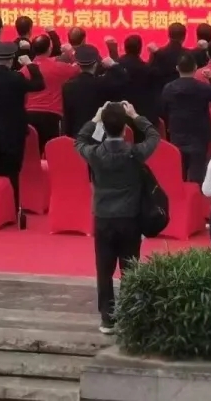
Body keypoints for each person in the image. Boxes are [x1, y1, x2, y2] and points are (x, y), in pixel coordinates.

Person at [75, 100, 159, 334]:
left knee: (104, 269)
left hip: (103, 217)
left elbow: (79, 140)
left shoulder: (94, 154)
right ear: (125, 128)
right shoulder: (134, 153)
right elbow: (154, 136)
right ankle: (130, 315)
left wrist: (95, 119)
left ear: (104, 126)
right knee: (130, 268)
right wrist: (136, 115)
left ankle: (107, 318)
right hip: (129, 217)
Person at [0, 42, 44, 225]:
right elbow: (39, 84)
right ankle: (13, 209)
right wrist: (30, 65)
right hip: (14, 134)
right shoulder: (16, 78)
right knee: (12, 174)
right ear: (11, 60)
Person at [160, 52, 211, 183]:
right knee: (198, 175)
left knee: (180, 174)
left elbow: (162, 110)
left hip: (177, 134)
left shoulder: (168, 88)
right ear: (195, 67)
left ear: (177, 68)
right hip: (199, 136)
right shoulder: (202, 87)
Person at [61, 45, 128, 138]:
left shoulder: (68, 86)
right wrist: (113, 65)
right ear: (96, 63)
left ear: (78, 64)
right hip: (99, 134)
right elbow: (124, 79)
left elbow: (68, 115)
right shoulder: (103, 84)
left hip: (78, 133)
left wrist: (68, 136)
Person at [24, 34, 77, 150]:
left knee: (31, 152)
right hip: (51, 117)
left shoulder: (25, 69)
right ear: (49, 48)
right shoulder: (58, 67)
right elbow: (80, 68)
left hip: (28, 117)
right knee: (50, 151)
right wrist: (71, 52)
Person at [149, 23, 192, 89]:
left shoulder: (157, 54)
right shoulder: (189, 55)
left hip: (162, 92)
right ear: (184, 37)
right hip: (184, 91)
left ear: (168, 35)